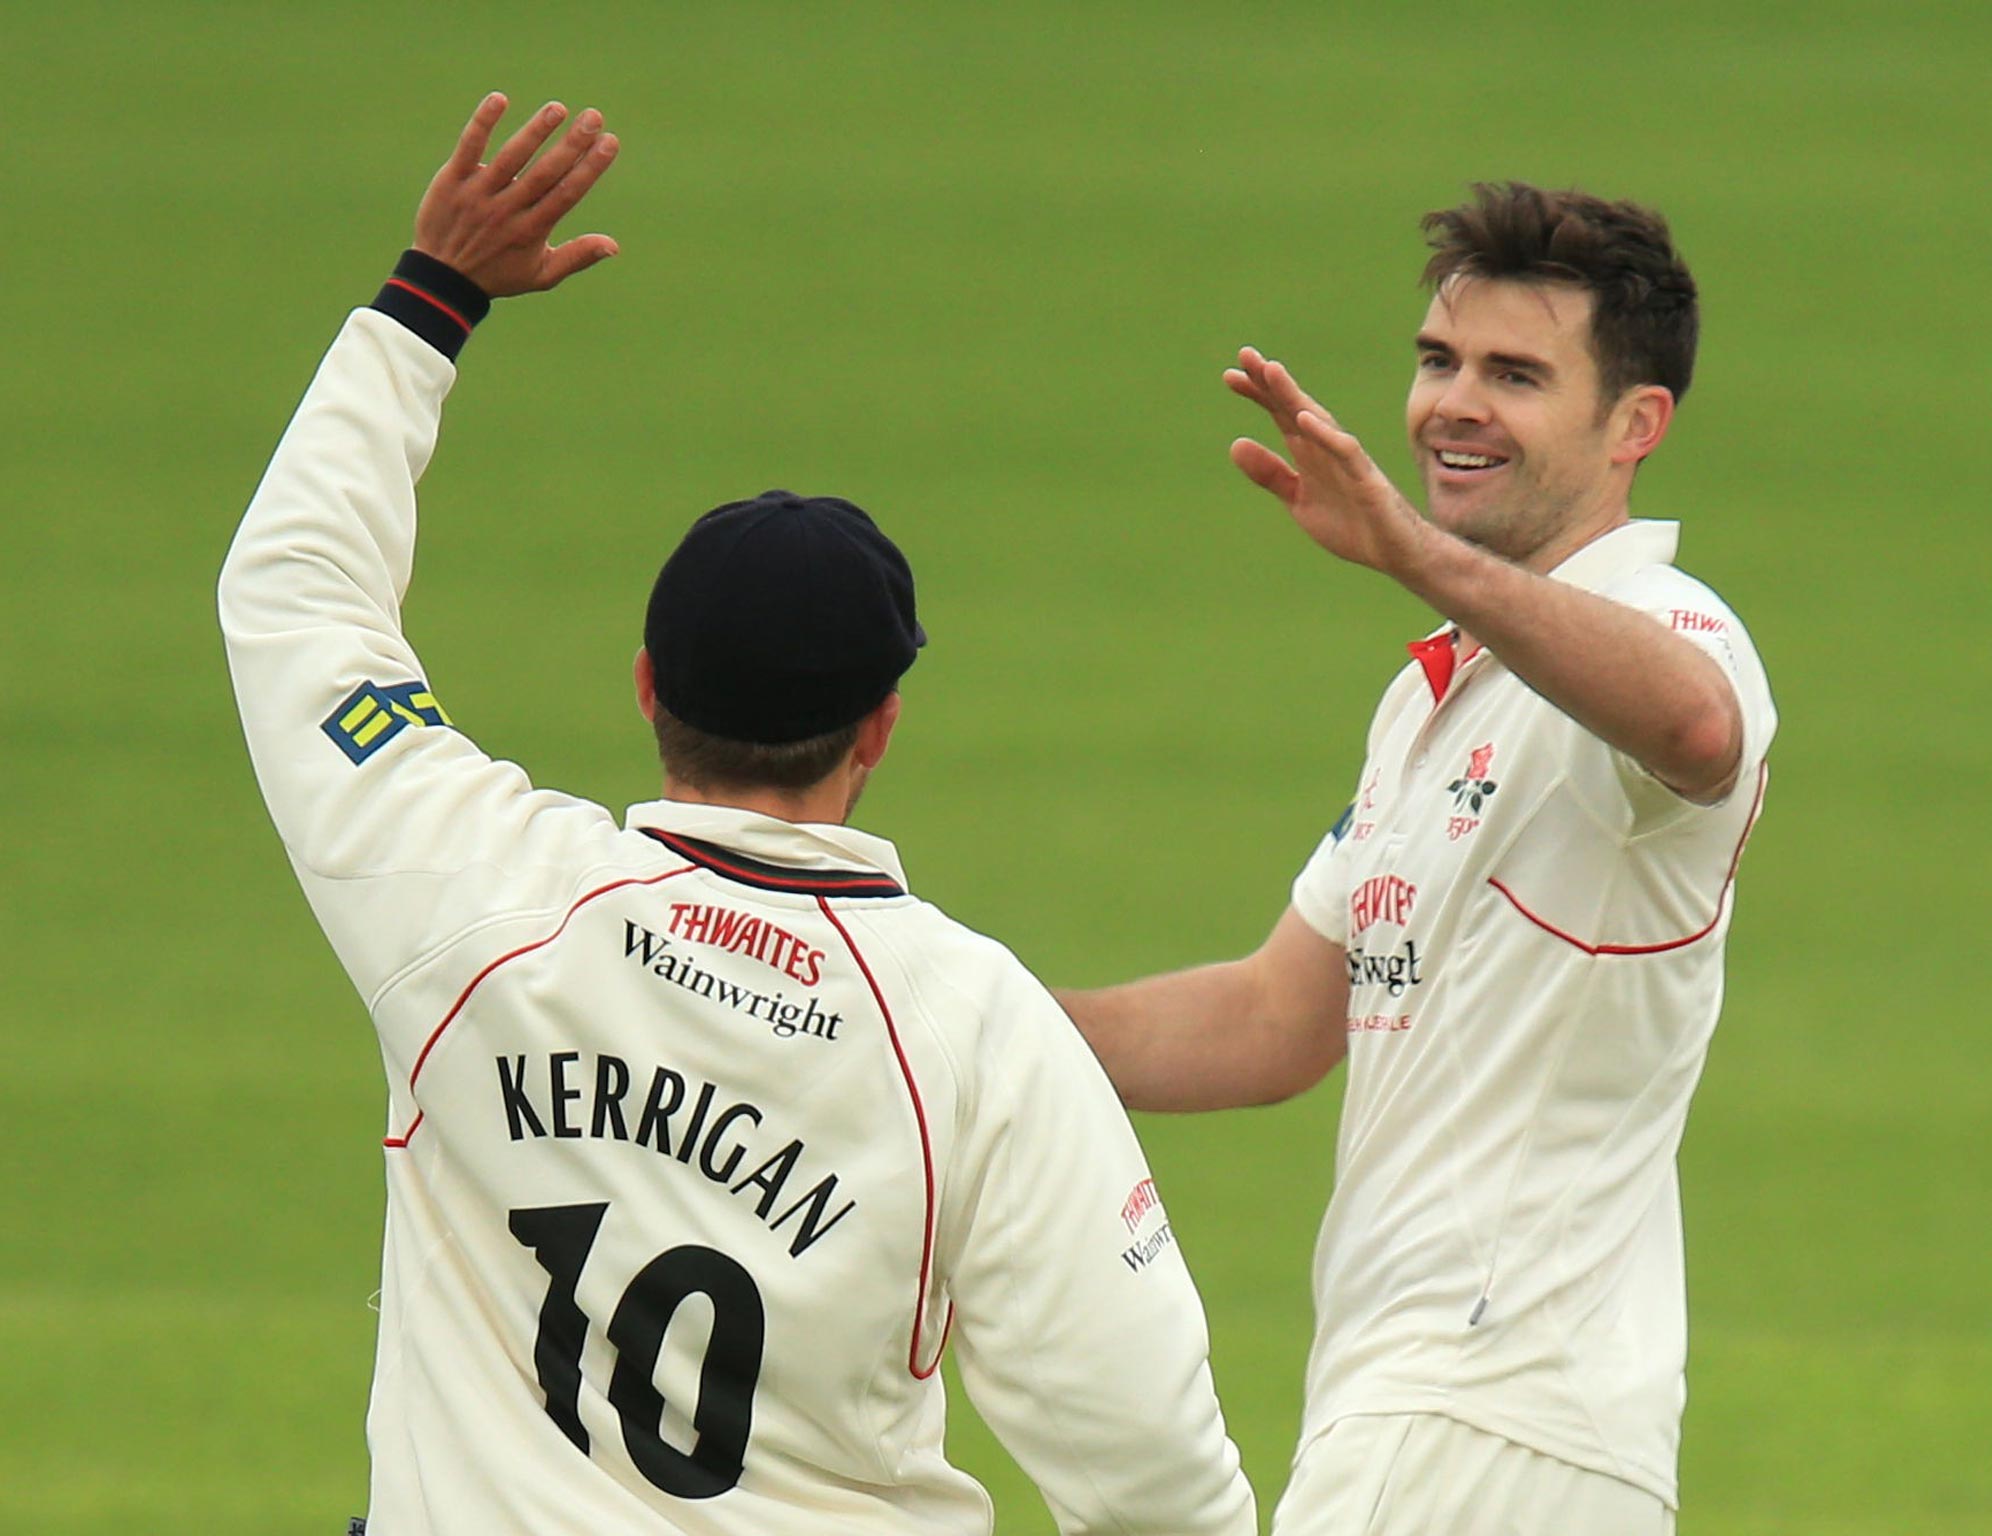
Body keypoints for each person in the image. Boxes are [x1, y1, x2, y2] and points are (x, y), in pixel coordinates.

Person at [220, 93, 1253, 1536]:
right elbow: (1150, 1474)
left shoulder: (470, 882)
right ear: (882, 727)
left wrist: (428, 296)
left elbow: (295, 597)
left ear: (647, 685)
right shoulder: (978, 1028)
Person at [1059, 184, 1776, 1535]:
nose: (1456, 403)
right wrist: (958, 1022)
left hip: (1480, 1411)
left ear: (1637, 426)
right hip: (1484, 1428)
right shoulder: (1433, 702)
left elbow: (1696, 721)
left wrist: (1415, 557)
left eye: (1516, 375)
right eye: (1440, 361)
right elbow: (1275, 1020)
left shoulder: (1666, 622)